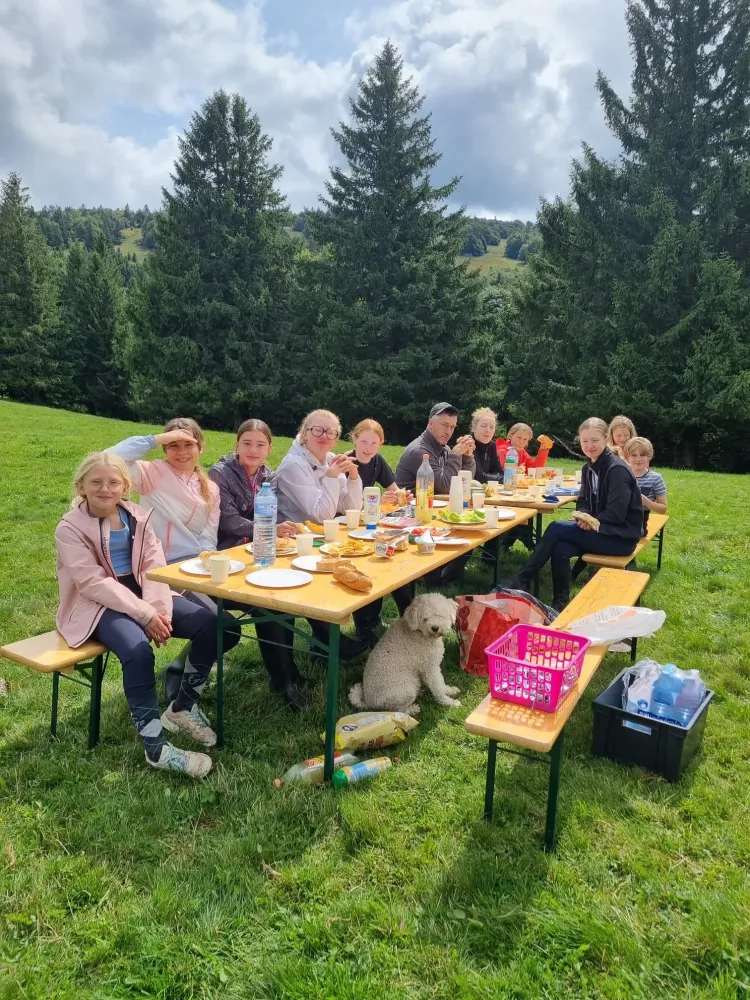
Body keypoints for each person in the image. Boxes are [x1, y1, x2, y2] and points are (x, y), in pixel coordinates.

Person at [56, 452, 240, 777]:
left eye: (113, 482)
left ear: (125, 486)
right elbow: (91, 582)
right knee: (137, 648)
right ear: (81, 485)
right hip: (96, 604)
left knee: (217, 625)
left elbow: (154, 567)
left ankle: (182, 707)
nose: (105, 488)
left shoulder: (138, 516)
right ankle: (156, 747)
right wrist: (144, 615)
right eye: (96, 482)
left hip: (145, 591)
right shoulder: (70, 527)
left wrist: (158, 611)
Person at [208, 419, 309, 710]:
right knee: (269, 603)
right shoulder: (221, 473)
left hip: (257, 552)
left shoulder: (269, 475)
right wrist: (266, 529)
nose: (253, 450)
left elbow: (272, 514)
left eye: (260, 444)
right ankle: (284, 682)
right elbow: (226, 520)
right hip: (223, 558)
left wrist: (281, 527)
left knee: (284, 596)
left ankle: (286, 670)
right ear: (236, 444)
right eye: (247, 443)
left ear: (269, 448)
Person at [501, 418, 643, 610]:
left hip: (619, 537)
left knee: (556, 527)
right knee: (560, 548)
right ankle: (560, 603)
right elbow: (583, 501)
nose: (589, 446)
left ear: (606, 439)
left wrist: (589, 521)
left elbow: (616, 514)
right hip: (599, 529)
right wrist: (582, 516)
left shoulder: (616, 469)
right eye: (585, 441)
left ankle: (523, 578)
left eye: (594, 440)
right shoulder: (588, 468)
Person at [276, 410, 368, 661]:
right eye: (318, 430)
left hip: (317, 539)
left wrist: (353, 477)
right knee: (335, 569)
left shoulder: (329, 459)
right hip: (291, 543)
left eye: (331, 432)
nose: (324, 435)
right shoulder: (294, 464)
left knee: (364, 560)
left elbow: (351, 510)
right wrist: (331, 477)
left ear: (337, 438)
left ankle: (334, 637)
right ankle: (328, 642)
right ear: (305, 433)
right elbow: (321, 515)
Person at [348, 419, 415, 644]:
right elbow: (345, 507)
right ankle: (363, 626)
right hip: (347, 527)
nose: (368, 447)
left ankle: (382, 619)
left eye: (373, 443)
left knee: (398, 559)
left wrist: (401, 496)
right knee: (368, 566)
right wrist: (373, 504)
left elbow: (395, 491)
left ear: (381, 444)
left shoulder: (377, 461)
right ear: (354, 439)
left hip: (370, 526)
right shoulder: (346, 463)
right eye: (363, 441)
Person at [394, 402, 476, 494]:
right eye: (445, 425)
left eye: (452, 427)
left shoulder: (445, 449)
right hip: (409, 506)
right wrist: (456, 454)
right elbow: (446, 487)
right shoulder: (418, 451)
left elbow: (464, 485)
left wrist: (466, 457)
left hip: (430, 505)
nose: (448, 432)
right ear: (431, 424)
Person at [623, 436, 667, 533]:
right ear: (627, 457)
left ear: (649, 456)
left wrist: (647, 502)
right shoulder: (621, 475)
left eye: (642, 455)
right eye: (634, 455)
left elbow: (663, 509)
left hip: (639, 521)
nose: (638, 459)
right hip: (620, 516)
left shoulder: (656, 479)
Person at [470, 408, 502, 484]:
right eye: (483, 426)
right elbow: (479, 477)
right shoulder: (468, 444)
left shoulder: (492, 445)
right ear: (474, 427)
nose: (488, 430)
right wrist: (497, 478)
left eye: (492, 427)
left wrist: (491, 477)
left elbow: (501, 473)